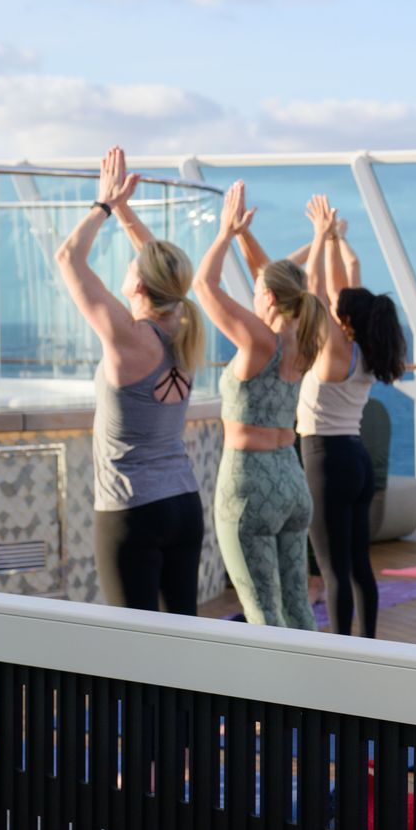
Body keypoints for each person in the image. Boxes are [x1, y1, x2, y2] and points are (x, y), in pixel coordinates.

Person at [54, 146, 205, 613]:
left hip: (133, 511)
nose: (128, 263)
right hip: (183, 503)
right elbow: (166, 271)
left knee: (133, 647)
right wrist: (125, 212)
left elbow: (68, 257)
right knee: (183, 638)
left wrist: (102, 205)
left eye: (133, 264)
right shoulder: (183, 329)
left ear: (139, 286)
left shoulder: (131, 338)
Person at [193, 181, 326, 629]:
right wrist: (247, 239)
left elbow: (203, 284)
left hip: (249, 483)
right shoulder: (305, 340)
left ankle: (272, 700)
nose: (253, 293)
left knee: (263, 613)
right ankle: (315, 695)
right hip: (291, 479)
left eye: (257, 291)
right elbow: (275, 280)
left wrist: (226, 233)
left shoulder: (258, 341)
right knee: (298, 608)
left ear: (267, 299)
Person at [297, 193, 406, 638]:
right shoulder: (366, 346)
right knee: (360, 564)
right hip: (355, 458)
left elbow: (312, 291)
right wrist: (340, 242)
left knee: (333, 568)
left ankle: (340, 654)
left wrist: (322, 239)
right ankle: (369, 646)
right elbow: (349, 280)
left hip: (325, 459)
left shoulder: (336, 348)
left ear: (345, 319)